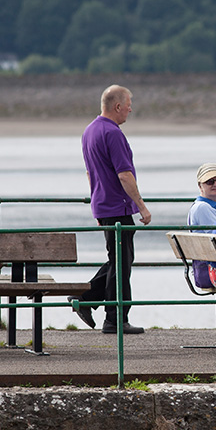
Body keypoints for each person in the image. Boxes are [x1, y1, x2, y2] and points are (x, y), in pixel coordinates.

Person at [73, 84, 151, 335]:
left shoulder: (89, 131)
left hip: (105, 205)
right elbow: (125, 175)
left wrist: (97, 206)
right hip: (118, 207)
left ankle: (87, 298)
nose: (131, 109)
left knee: (118, 260)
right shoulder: (113, 133)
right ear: (117, 106)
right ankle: (115, 318)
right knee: (121, 265)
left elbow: (90, 173)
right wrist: (142, 207)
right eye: (128, 104)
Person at [187, 162, 216, 289]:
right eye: (209, 182)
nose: (215, 184)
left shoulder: (210, 207)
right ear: (200, 185)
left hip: (214, 268)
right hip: (215, 272)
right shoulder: (202, 208)